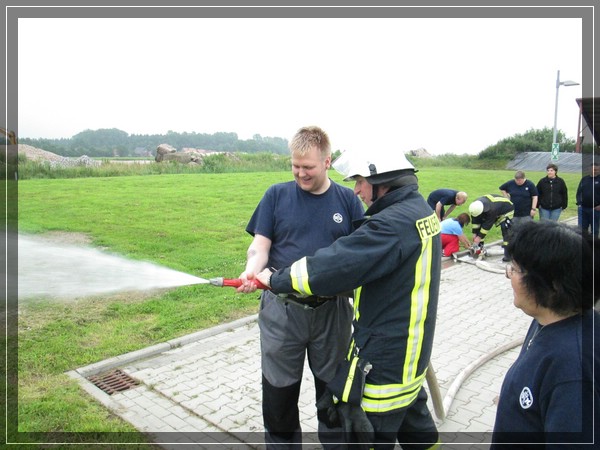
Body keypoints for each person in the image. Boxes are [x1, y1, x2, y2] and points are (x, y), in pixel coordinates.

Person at [252, 149, 442, 450]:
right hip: (411, 358)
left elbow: (337, 265)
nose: (356, 190)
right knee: (421, 435)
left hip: (384, 360)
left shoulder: (390, 225)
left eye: (361, 182)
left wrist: (277, 279)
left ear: (384, 183)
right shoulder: (420, 213)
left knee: (361, 436)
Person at [236, 126, 365, 449]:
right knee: (278, 397)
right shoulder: (276, 195)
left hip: (331, 313)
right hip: (282, 312)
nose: (300, 173)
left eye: (308, 167)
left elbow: (361, 257)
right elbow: (260, 246)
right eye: (295, 166)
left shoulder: (348, 201)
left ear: (327, 161)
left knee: (333, 397)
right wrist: (252, 270)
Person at [491, 220, 599, 449]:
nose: (508, 276)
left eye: (517, 269)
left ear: (553, 285)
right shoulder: (545, 320)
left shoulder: (572, 371)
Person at [468, 194, 514, 262]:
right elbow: (475, 221)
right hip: (495, 209)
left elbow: (487, 225)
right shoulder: (475, 207)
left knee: (505, 230)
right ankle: (480, 250)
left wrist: (479, 237)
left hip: (506, 210)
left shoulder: (492, 209)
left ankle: (508, 254)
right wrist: (474, 234)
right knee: (479, 232)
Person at [576, 161, 600, 238]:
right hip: (583, 209)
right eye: (593, 169)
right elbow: (579, 192)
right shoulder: (584, 179)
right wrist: (579, 203)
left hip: (595, 210)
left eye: (596, 169)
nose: (594, 171)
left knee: (595, 230)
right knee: (582, 230)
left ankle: (594, 247)